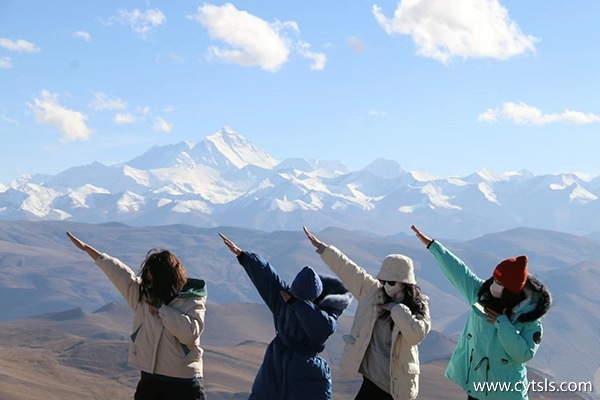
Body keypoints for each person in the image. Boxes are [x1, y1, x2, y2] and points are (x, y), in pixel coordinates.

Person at [410, 225, 552, 400]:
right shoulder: (480, 296)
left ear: (512, 290)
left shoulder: (529, 319)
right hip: (476, 389)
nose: (494, 284)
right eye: (495, 279)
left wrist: (502, 324)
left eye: (500, 283)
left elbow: (522, 354)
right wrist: (433, 246)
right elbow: (459, 271)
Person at [66, 231, 207, 400]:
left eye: (152, 280)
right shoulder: (143, 296)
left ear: (165, 279)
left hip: (184, 384)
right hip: (150, 380)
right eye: (147, 279)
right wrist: (93, 253)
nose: (148, 284)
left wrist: (163, 310)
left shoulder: (191, 300)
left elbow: (189, 334)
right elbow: (121, 275)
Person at [219, 232, 352, 400]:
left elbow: (321, 328)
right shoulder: (285, 298)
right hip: (275, 363)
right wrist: (244, 257)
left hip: (300, 369)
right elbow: (267, 277)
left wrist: (297, 304)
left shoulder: (325, 314)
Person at [303, 226, 431, 400]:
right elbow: (349, 270)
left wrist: (396, 310)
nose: (386, 285)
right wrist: (323, 249)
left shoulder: (420, 305)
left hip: (396, 389)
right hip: (371, 381)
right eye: (383, 281)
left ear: (405, 283)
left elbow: (416, 334)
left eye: (391, 282)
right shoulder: (374, 292)